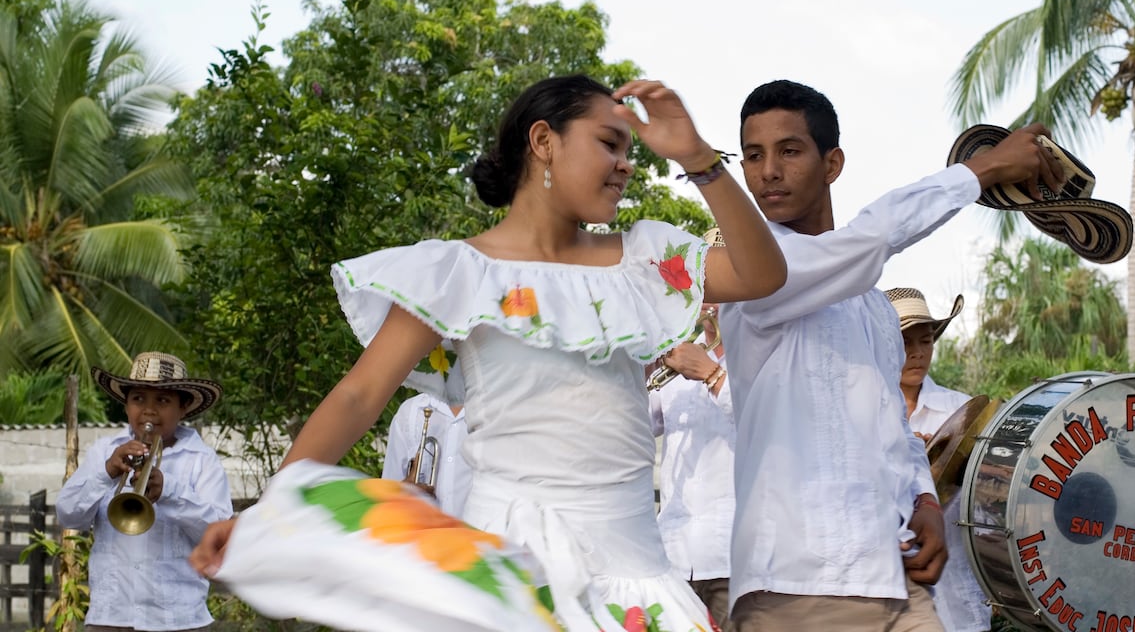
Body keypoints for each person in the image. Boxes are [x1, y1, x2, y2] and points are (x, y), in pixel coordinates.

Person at [189, 75, 787, 632]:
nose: (627, 164)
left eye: (631, 149)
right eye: (610, 143)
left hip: (635, 581)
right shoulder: (457, 272)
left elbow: (762, 274)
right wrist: (268, 512)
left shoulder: (643, 260)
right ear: (544, 142)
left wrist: (698, 159)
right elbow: (357, 396)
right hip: (504, 579)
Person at [718, 79, 1063, 632]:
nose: (768, 172)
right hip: (797, 580)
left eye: (788, 151)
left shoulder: (876, 309)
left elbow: (890, 426)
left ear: (832, 164)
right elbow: (871, 238)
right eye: (753, 156)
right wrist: (983, 171)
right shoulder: (752, 274)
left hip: (891, 569)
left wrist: (925, 500)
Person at [56, 351, 232, 632]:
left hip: (179, 620)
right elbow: (68, 515)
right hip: (110, 617)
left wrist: (171, 491)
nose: (149, 411)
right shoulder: (104, 451)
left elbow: (220, 534)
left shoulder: (202, 460)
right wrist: (107, 472)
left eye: (162, 401)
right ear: (126, 406)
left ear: (183, 407)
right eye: (138, 399)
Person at [887, 287, 991, 632]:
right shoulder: (866, 417)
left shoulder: (964, 414)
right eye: (905, 343)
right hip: (886, 592)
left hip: (955, 588)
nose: (917, 353)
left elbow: (989, 497)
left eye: (926, 341)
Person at [649, 303, 736, 630]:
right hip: (673, 553)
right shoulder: (680, 356)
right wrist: (638, 368)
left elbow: (770, 423)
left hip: (736, 558)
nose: (711, 303)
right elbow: (634, 430)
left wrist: (711, 374)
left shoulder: (768, 354)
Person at [382, 366, 472, 517]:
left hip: (482, 536)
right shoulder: (409, 413)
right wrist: (404, 490)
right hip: (422, 535)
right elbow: (388, 492)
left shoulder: (498, 412)